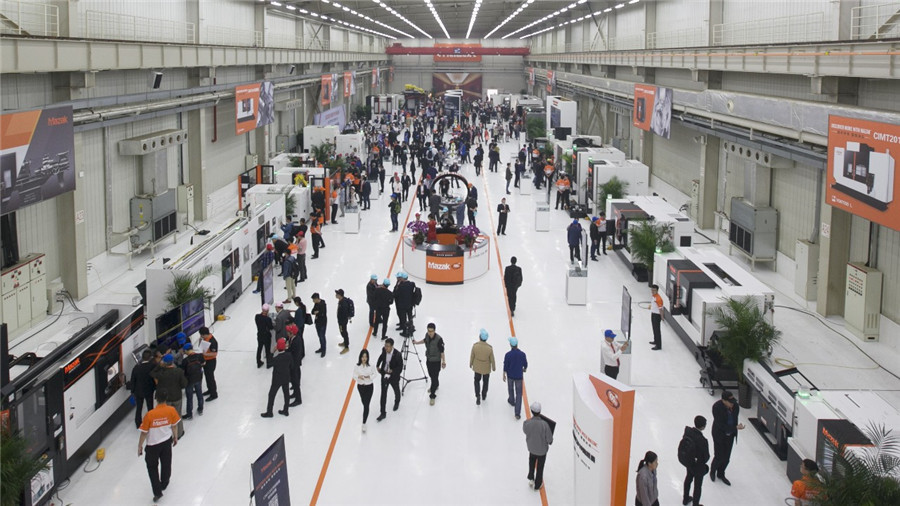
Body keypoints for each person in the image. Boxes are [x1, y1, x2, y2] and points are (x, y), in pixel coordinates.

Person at [138, 390, 180, 502]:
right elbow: (174, 426)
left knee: (152, 467)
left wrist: (140, 446)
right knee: (166, 463)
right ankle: (164, 483)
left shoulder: (150, 415)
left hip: (152, 446)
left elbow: (144, 433)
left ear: (156, 399)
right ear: (166, 398)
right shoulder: (171, 410)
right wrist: (175, 437)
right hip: (166, 442)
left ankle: (157, 492)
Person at [710, 390, 744, 485]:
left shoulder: (735, 406)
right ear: (723, 401)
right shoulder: (716, 407)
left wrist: (735, 428)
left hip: (730, 435)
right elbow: (720, 424)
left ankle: (721, 474)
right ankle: (713, 471)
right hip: (719, 435)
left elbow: (734, 418)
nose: (732, 404)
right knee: (719, 456)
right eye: (730, 402)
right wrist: (735, 427)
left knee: (726, 457)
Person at [150, 354, 187, 437]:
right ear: (172, 362)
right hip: (177, 397)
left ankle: (167, 435)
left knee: (166, 416)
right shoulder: (179, 371)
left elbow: (152, 373)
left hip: (165, 399)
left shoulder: (161, 373)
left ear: (164, 363)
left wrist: (159, 366)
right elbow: (184, 384)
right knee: (178, 415)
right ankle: (179, 433)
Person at [680, 415, 710, 506]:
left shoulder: (688, 432)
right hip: (698, 465)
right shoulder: (703, 440)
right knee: (698, 486)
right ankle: (695, 504)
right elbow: (706, 457)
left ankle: (685, 499)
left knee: (688, 479)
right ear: (703, 427)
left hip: (689, 461)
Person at [413, 322, 445, 405]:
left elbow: (442, 352)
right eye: (428, 331)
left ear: (434, 331)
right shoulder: (427, 335)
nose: (430, 333)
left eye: (431, 331)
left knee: (434, 377)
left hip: (436, 361)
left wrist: (443, 361)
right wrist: (416, 342)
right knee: (431, 375)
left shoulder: (439, 339)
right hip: (429, 360)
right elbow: (425, 340)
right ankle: (436, 384)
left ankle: (432, 396)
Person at [523, 402, 553, 491]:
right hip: (542, 451)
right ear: (540, 412)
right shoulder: (545, 425)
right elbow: (549, 439)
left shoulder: (527, 423)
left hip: (531, 448)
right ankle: (538, 484)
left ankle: (531, 478)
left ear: (532, 411)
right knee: (540, 467)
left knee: (531, 462)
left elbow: (525, 431)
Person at [260, 338, 293, 418]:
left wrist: (272, 352)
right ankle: (286, 410)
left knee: (271, 395)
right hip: (286, 377)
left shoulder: (276, 359)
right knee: (286, 394)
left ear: (277, 348)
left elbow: (269, 363)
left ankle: (269, 412)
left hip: (277, 379)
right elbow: (292, 365)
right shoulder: (289, 355)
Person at [376, 338, 403, 421]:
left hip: (393, 376)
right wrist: (377, 365)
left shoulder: (398, 355)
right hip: (384, 374)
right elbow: (381, 357)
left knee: (396, 390)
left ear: (392, 346)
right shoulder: (384, 350)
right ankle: (383, 413)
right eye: (385, 346)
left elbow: (400, 368)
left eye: (388, 346)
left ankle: (397, 401)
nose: (386, 348)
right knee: (383, 394)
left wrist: (393, 371)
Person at [130, 349, 156, 428]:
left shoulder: (136, 367)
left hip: (138, 391)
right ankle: (151, 422)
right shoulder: (152, 366)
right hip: (149, 390)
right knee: (150, 406)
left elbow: (133, 380)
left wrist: (132, 391)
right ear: (150, 357)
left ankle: (138, 423)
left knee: (139, 407)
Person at [503, 337, 528, 420]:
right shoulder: (522, 354)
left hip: (510, 376)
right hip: (519, 376)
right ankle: (517, 412)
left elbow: (505, 365)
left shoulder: (507, 355)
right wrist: (524, 369)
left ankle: (511, 400)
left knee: (510, 388)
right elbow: (525, 364)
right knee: (519, 393)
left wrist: (504, 374)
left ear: (510, 345)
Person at [469, 328, 495, 405]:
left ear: (479, 337)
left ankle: (477, 395)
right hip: (486, 368)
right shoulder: (489, 348)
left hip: (477, 367)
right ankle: (484, 395)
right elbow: (492, 359)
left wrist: (471, 363)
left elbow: (472, 356)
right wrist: (493, 367)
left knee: (476, 381)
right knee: (485, 381)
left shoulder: (475, 346)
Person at [354, 348, 376, 432]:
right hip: (360, 387)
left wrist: (369, 377)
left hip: (369, 387)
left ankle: (364, 423)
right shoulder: (357, 366)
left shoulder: (371, 366)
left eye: (366, 357)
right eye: (363, 357)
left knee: (366, 405)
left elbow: (375, 374)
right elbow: (354, 375)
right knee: (364, 402)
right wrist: (358, 377)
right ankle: (366, 411)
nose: (364, 358)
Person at [181, 343, 205, 420]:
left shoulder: (185, 361)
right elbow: (203, 363)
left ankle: (189, 414)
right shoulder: (200, 356)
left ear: (186, 351)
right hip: (198, 378)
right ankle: (200, 409)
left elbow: (183, 371)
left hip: (189, 380)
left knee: (189, 397)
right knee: (199, 394)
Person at [392, 272, 415, 337]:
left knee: (403, 318)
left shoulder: (401, 286)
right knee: (410, 317)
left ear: (402, 278)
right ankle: (411, 329)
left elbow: (396, 294)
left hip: (402, 305)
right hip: (409, 304)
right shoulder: (412, 284)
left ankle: (405, 332)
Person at [199, 327, 219, 401]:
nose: (201, 336)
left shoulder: (213, 341)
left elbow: (214, 353)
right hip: (205, 360)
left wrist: (206, 354)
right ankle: (209, 390)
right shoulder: (204, 339)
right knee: (207, 376)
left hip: (211, 361)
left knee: (210, 378)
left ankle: (214, 394)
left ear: (204, 334)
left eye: (201, 335)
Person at [335, 289, 352, 354]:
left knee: (343, 332)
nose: (336, 295)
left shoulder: (343, 303)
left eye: (337, 294)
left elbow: (345, 313)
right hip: (341, 320)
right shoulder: (341, 300)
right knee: (343, 332)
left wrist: (341, 320)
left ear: (340, 295)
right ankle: (345, 342)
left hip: (342, 321)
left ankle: (346, 347)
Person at [311, 293, 328, 357]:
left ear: (316, 299)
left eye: (313, 299)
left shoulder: (323, 304)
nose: (313, 301)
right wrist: (316, 312)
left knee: (322, 336)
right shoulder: (316, 304)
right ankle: (321, 347)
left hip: (322, 323)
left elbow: (322, 313)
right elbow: (312, 311)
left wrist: (317, 312)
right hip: (317, 322)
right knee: (319, 336)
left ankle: (324, 349)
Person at [650, 284, 664, 350]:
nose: (652, 291)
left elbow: (661, 309)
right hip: (653, 314)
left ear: (657, 290)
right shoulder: (653, 296)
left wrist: (662, 317)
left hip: (657, 315)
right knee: (654, 328)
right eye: (652, 290)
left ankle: (658, 346)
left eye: (654, 290)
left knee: (657, 330)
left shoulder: (658, 298)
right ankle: (655, 340)